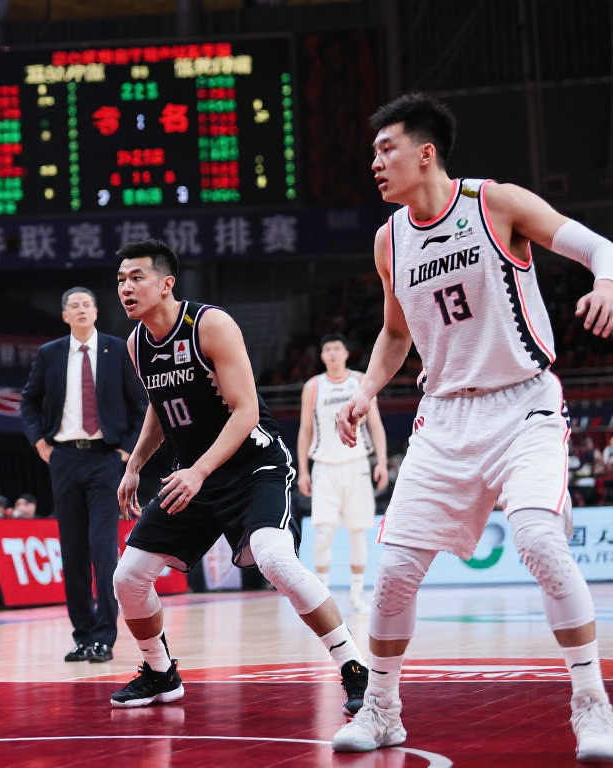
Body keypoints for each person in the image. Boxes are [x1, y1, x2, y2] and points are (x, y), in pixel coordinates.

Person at [330, 93, 613, 761]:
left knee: (539, 540)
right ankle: (382, 710)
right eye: (374, 153)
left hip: (523, 405)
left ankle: (591, 704)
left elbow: (597, 245)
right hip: (445, 417)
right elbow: (396, 333)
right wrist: (366, 388)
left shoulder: (495, 203)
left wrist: (605, 282)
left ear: (426, 153)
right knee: (394, 570)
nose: (375, 163)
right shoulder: (390, 240)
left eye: (387, 148)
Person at [111, 239, 368, 712]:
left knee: (275, 559)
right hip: (195, 476)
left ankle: (354, 665)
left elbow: (246, 410)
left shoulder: (210, 325)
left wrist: (198, 470)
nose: (126, 287)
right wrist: (134, 465)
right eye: (121, 280)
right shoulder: (136, 343)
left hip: (254, 467)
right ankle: (161, 672)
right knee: (127, 578)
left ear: (166, 284)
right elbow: (160, 406)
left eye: (137, 278)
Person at [21, 286, 147, 663]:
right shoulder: (50, 353)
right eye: (73, 305)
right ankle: (83, 635)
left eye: (86, 304)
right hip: (63, 458)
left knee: (103, 551)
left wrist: (126, 451)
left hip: (105, 458)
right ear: (64, 315)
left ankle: (105, 636)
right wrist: (40, 444)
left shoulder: (116, 350)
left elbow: (140, 405)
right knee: (73, 551)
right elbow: (28, 400)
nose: (80, 309)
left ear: (96, 312)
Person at [296, 334, 388, 612]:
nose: (333, 353)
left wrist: (381, 462)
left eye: (337, 348)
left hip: (357, 464)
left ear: (346, 353)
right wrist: (303, 470)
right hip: (324, 467)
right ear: (322, 356)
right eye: (327, 349)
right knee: (323, 533)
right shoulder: (313, 386)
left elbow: (375, 424)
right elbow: (305, 430)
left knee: (358, 532)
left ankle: (357, 595)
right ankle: (323, 595)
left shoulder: (360, 381)